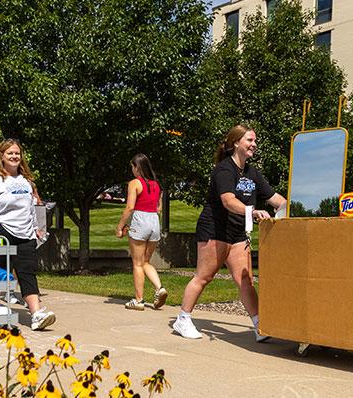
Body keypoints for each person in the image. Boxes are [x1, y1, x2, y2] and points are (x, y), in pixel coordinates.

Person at [172, 124, 287, 341]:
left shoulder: (252, 173)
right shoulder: (224, 169)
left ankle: (259, 325)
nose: (254, 144)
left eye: (255, 141)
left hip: (237, 232)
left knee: (245, 280)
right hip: (214, 229)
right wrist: (252, 212)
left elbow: (275, 199)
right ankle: (183, 319)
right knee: (204, 276)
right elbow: (228, 201)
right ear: (236, 143)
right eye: (249, 140)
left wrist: (289, 208)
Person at [0, 140, 56, 331]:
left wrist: (35, 228)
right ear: (1, 156)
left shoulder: (25, 181)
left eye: (17, 153)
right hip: (0, 230)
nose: (14, 156)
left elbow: (30, 208)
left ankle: (36, 314)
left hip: (25, 234)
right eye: (10, 153)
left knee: (27, 272)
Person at [114, 154, 167, 311]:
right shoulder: (156, 185)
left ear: (137, 167)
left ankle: (138, 300)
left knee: (137, 263)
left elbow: (130, 207)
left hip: (140, 219)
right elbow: (159, 208)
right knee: (145, 261)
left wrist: (120, 226)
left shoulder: (134, 183)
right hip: (154, 221)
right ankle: (159, 288)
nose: (132, 170)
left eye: (132, 166)